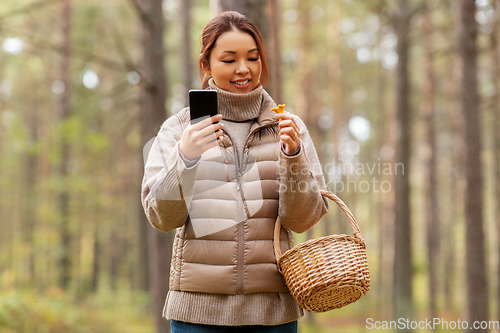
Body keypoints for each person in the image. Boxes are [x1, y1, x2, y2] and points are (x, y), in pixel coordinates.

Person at [141, 11, 329, 333]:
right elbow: (162, 218)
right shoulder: (179, 130)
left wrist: (293, 156)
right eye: (229, 60)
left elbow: (302, 220)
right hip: (197, 313)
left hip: (273, 313)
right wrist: (184, 158)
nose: (244, 69)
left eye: (252, 58)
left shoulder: (288, 128)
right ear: (207, 65)